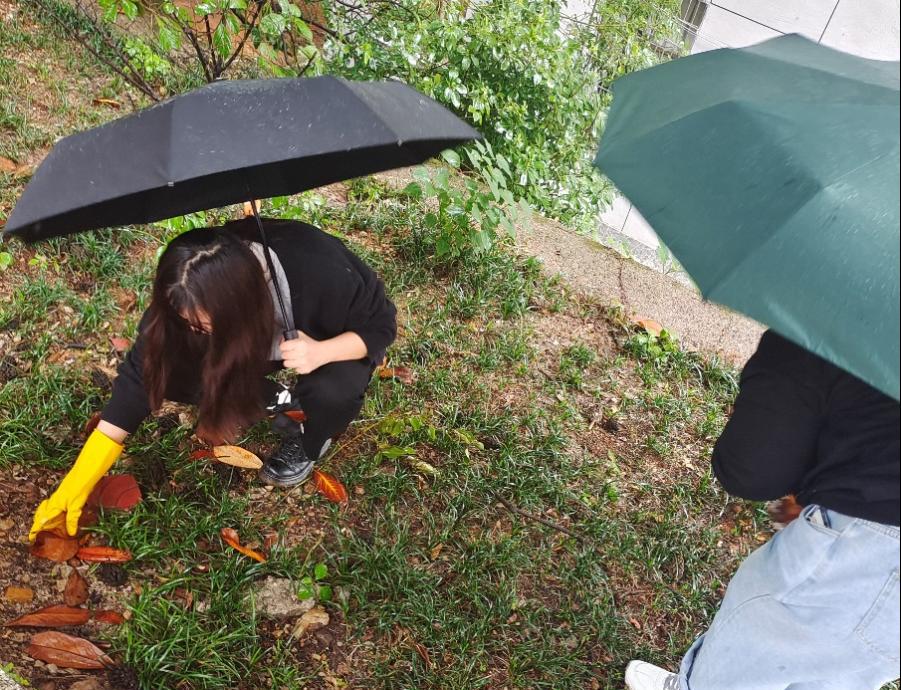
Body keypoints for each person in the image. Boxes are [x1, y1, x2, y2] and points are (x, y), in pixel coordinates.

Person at [29, 217, 396, 540]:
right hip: (251, 347)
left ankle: (310, 433)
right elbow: (141, 376)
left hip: (329, 341)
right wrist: (79, 481)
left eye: (204, 323)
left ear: (239, 302)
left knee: (333, 393)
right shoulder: (187, 287)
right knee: (170, 372)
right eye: (189, 322)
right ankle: (274, 397)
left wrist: (321, 352)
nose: (195, 329)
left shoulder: (318, 270)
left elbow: (381, 326)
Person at [626, 330, 900, 690]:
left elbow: (751, 470)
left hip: (871, 542)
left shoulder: (835, 319)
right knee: (839, 669)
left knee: (750, 650)